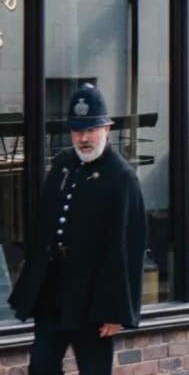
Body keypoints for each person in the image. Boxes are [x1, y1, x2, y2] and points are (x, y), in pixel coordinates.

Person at [7, 84, 146, 375]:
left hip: (94, 299)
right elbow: (45, 224)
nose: (83, 139)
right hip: (53, 290)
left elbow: (128, 248)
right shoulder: (63, 164)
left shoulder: (122, 178)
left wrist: (116, 310)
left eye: (90, 130)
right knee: (42, 366)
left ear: (106, 128)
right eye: (76, 131)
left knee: (94, 370)